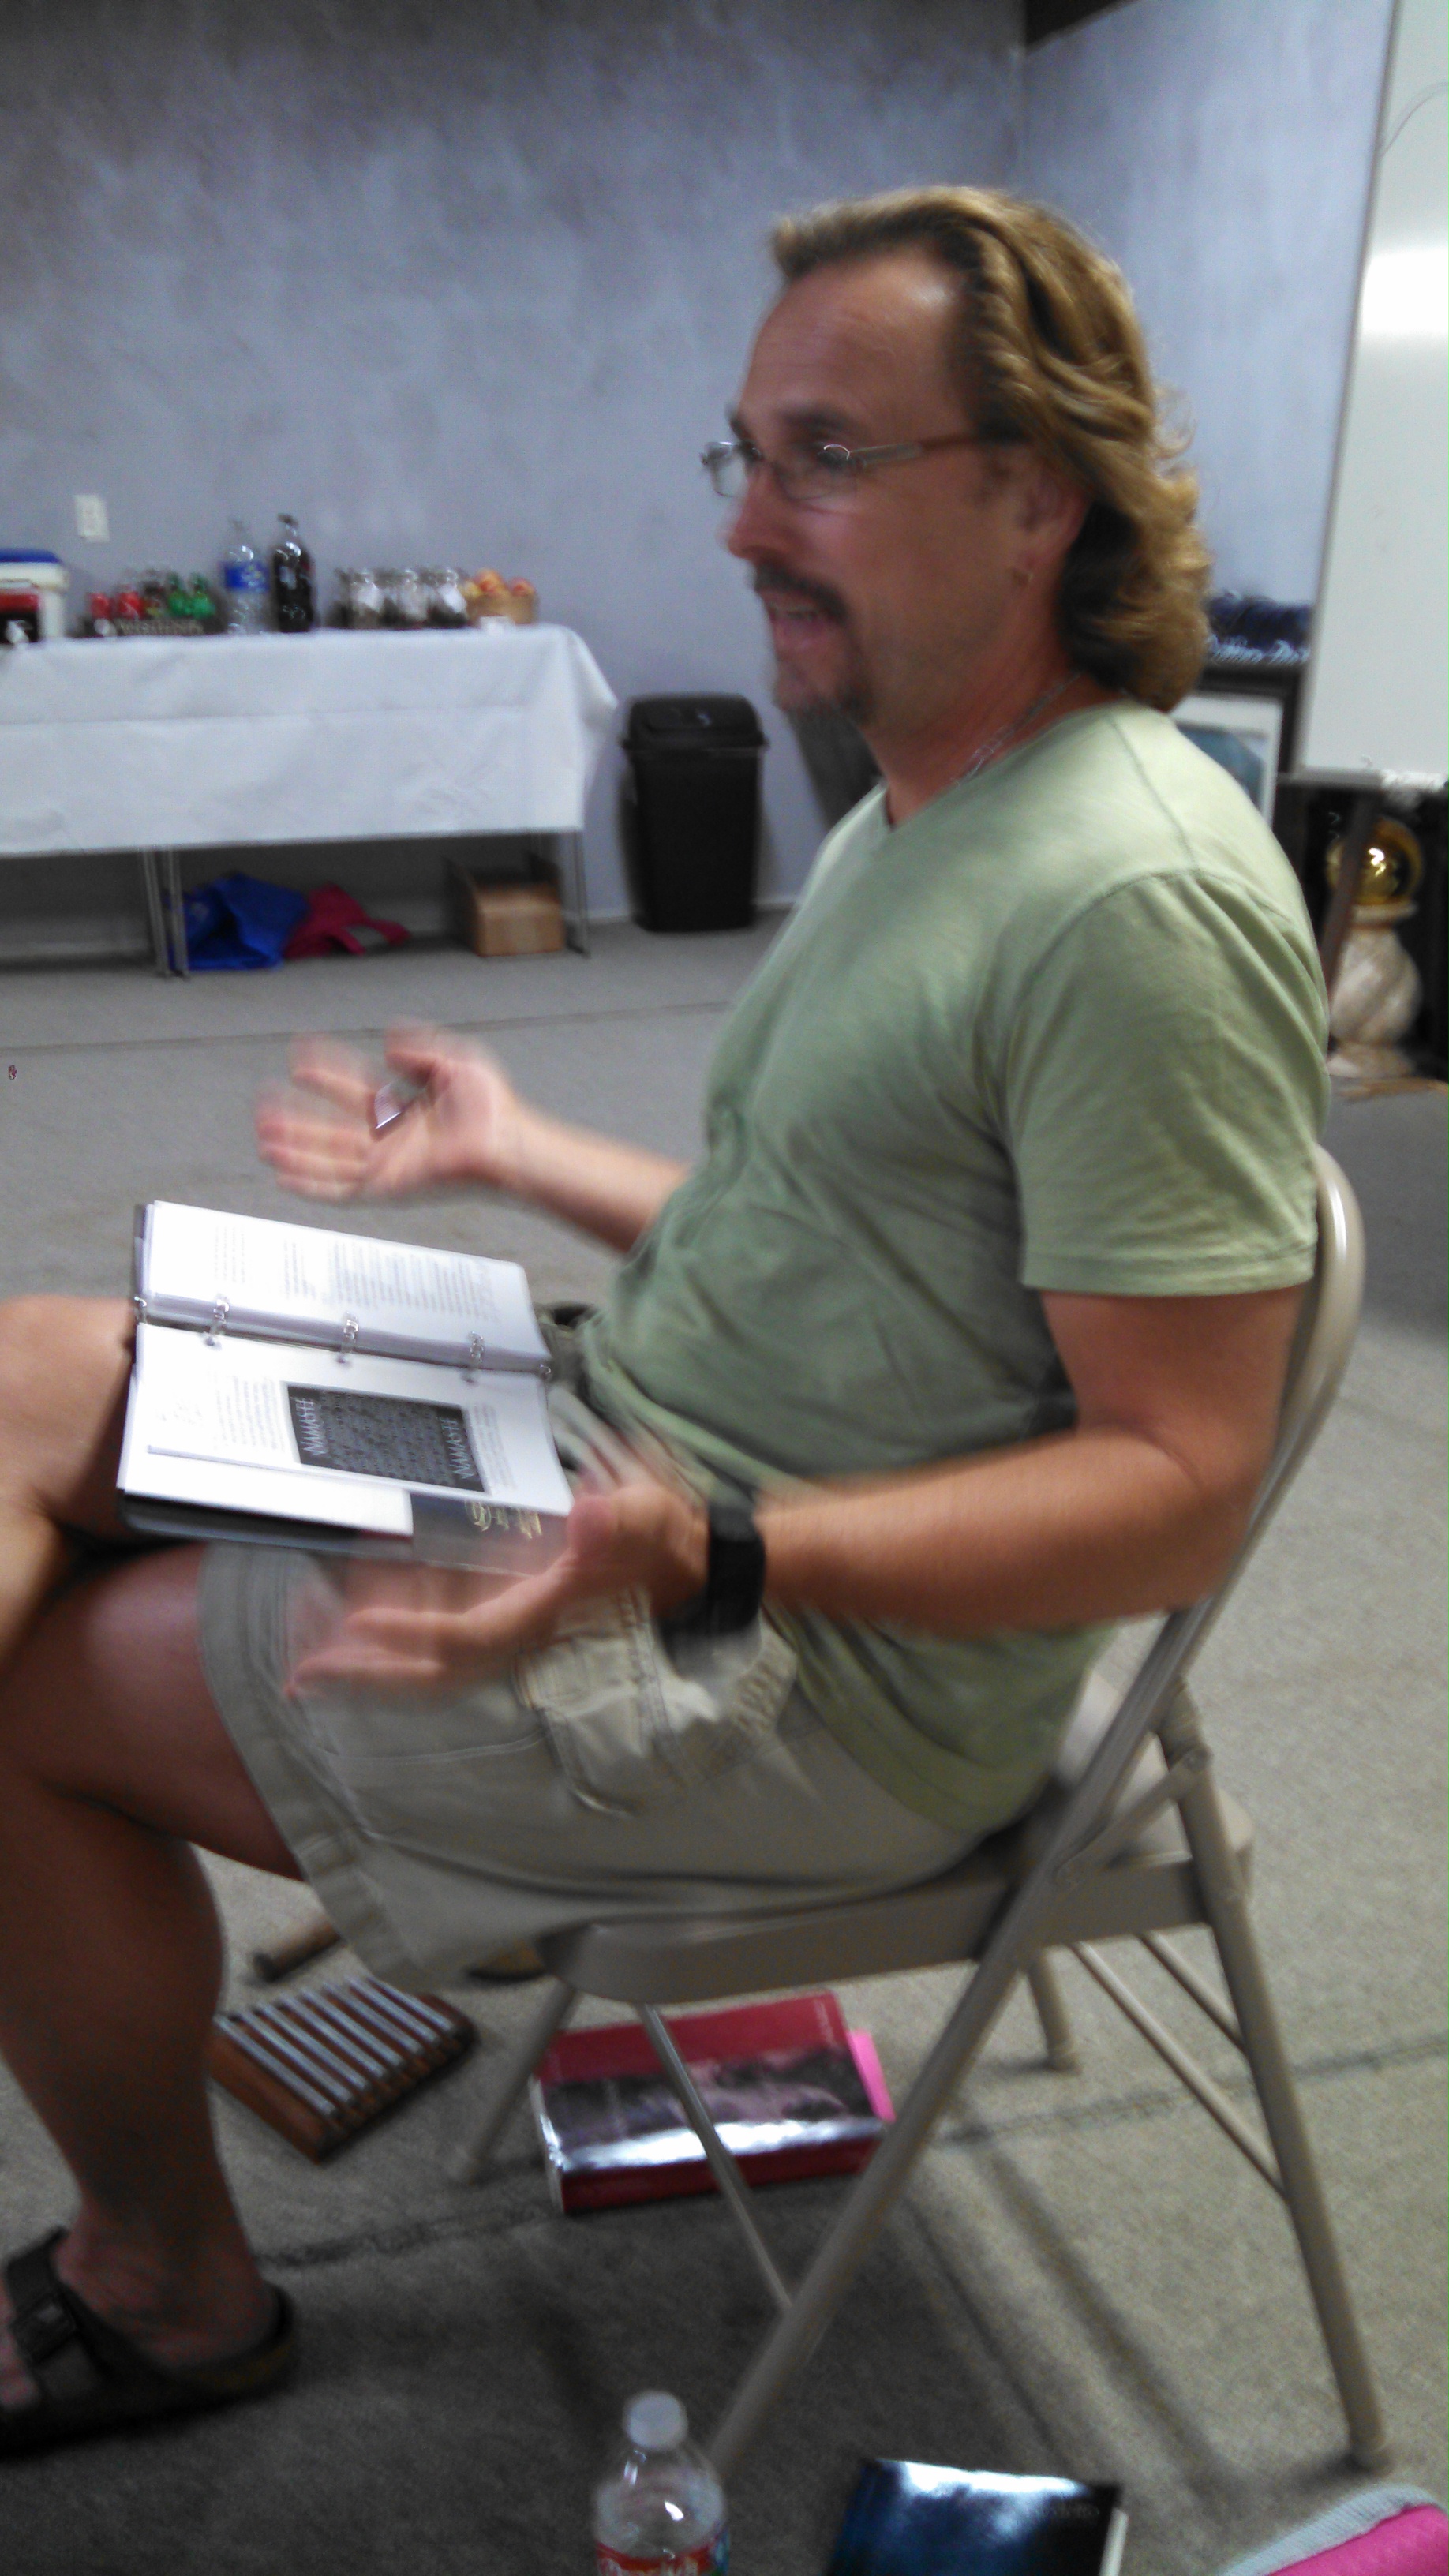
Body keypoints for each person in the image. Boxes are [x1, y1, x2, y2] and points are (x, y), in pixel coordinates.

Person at [0, 185, 1327, 2457]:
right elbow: (832, 1229)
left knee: (27, 1708)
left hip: (793, 1661)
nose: (741, 527)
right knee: (25, 1364)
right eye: (748, 454)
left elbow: (1177, 1486)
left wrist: (710, 1551)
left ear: (1037, 497)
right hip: (616, 1440)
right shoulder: (931, 803)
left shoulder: (1133, 897)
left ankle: (170, 2288)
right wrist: (523, 1146)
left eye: (827, 460)